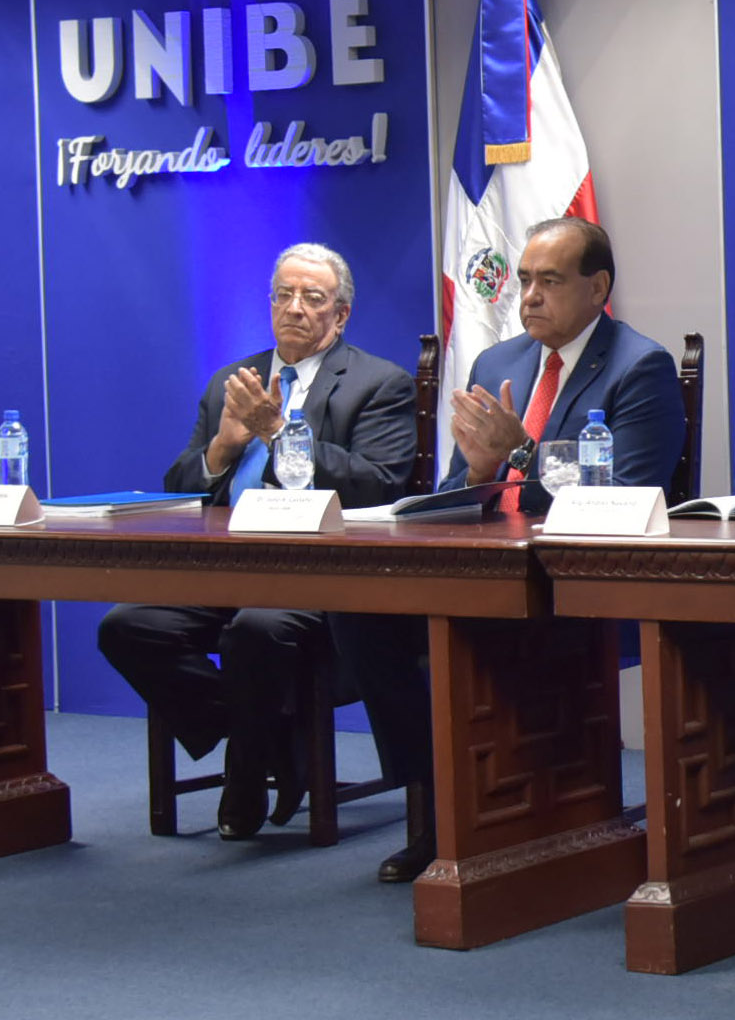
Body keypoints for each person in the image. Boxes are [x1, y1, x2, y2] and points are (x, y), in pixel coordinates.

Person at [339, 215, 686, 883]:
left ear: (598, 287)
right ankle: (438, 802)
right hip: (480, 568)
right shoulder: (496, 363)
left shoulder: (639, 366)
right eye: (524, 280)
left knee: (462, 631)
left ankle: (474, 815)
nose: (528, 296)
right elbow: (455, 490)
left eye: (549, 281)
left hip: (575, 584)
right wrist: (473, 471)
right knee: (360, 613)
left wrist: (519, 454)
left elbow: (625, 499)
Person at [98, 243, 416, 842]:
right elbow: (181, 486)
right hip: (223, 572)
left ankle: (246, 771)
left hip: (320, 579)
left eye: (312, 298)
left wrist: (277, 432)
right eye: (283, 295)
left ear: (340, 315)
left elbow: (377, 484)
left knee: (258, 629)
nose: (293, 308)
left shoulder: (378, 383)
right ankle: (268, 740)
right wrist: (222, 447)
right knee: (127, 626)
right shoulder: (232, 381)